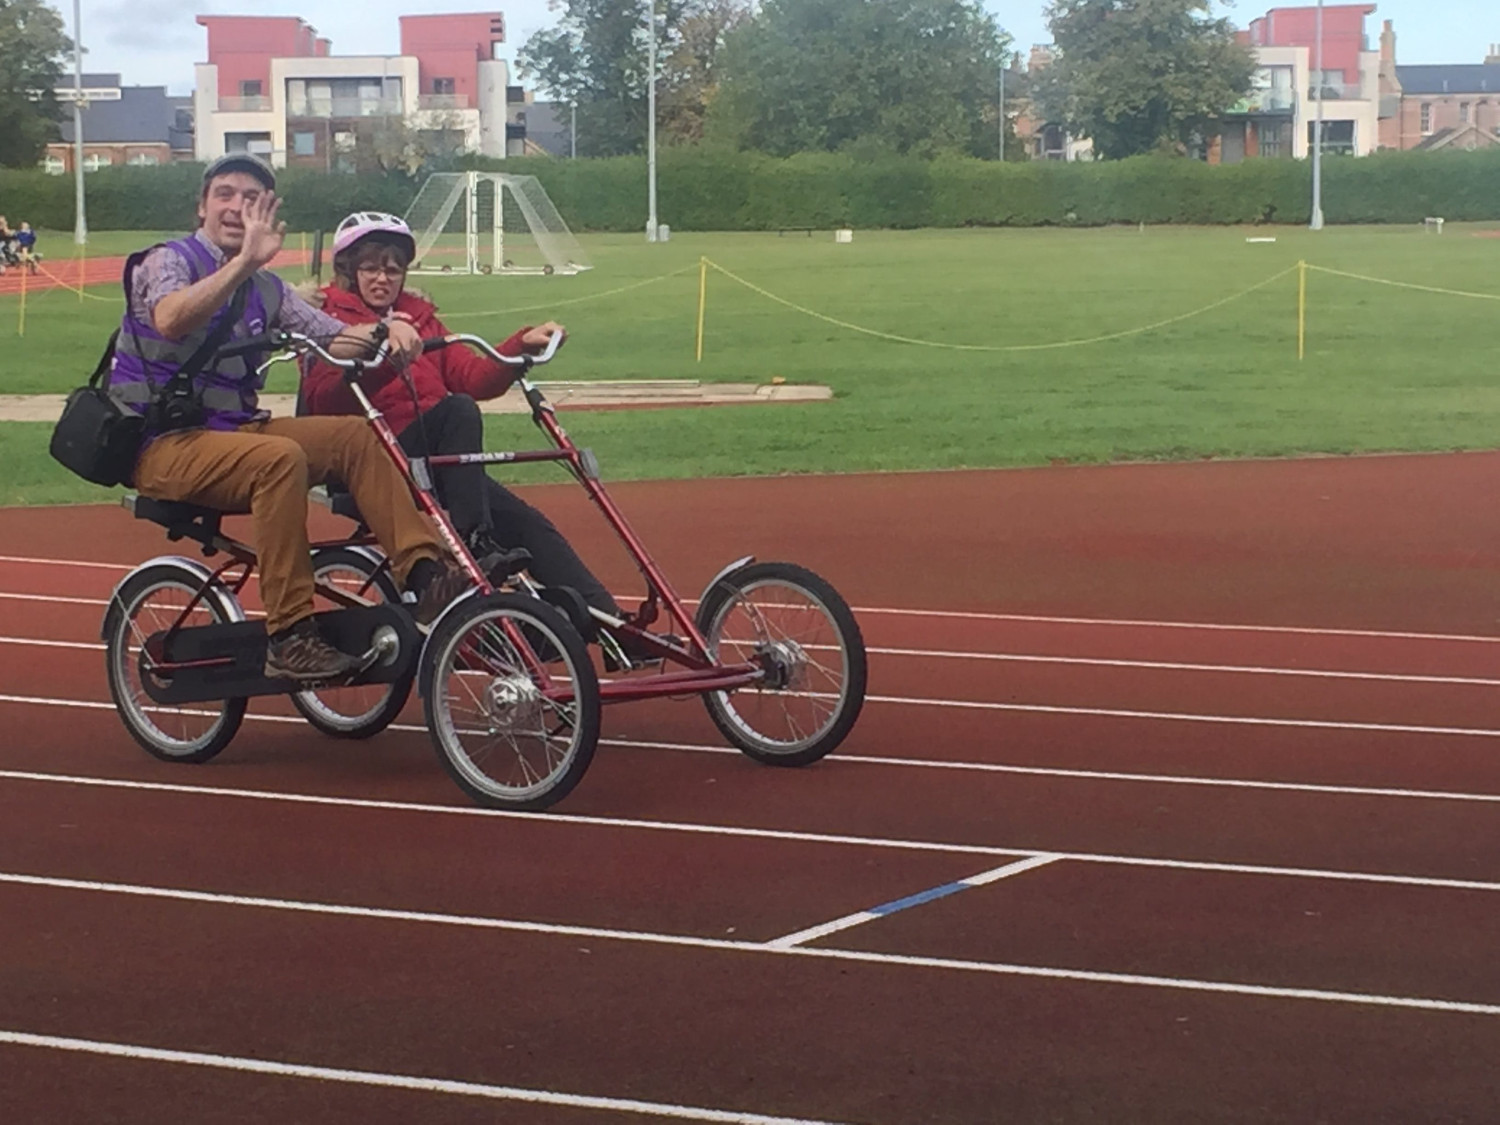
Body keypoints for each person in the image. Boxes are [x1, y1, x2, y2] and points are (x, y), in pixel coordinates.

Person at [112, 155, 471, 682]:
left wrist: (385, 331)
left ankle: (425, 574)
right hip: (162, 442)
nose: (237, 208)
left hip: (235, 433)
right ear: (202, 205)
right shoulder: (167, 262)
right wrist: (242, 264)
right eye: (226, 195)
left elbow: (332, 337)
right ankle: (289, 634)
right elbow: (170, 318)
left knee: (353, 435)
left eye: (251, 200)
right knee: (279, 459)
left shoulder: (268, 289)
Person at [300, 210, 628, 634]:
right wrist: (380, 351)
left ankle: (610, 623)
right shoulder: (326, 318)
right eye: (370, 268)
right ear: (347, 270)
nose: (383, 279)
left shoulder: (420, 318)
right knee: (456, 410)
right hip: (372, 460)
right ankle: (472, 542)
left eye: (393, 269)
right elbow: (321, 397)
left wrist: (519, 346)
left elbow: (472, 378)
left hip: (434, 463)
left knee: (528, 522)